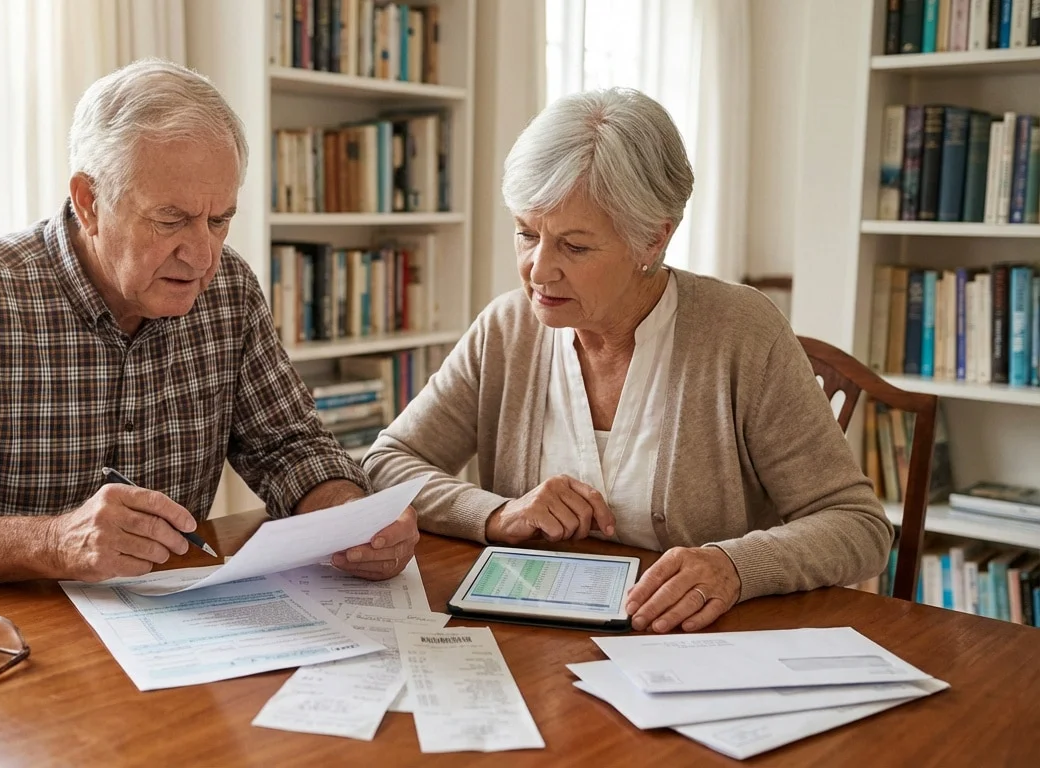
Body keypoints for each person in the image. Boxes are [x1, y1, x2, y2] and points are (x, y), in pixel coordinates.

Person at [0, 59, 417, 587]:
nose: (202, 256)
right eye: (171, 219)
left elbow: (288, 446)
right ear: (89, 201)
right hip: (13, 638)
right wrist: (55, 543)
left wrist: (349, 515)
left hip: (177, 624)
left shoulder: (229, 289)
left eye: (219, 220)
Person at [363, 88, 890, 634]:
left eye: (574, 246)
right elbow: (386, 464)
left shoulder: (741, 332)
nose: (538, 271)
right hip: (529, 648)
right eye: (527, 233)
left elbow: (856, 526)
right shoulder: (506, 328)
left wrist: (735, 566)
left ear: (653, 239)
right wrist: (498, 514)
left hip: (692, 649)